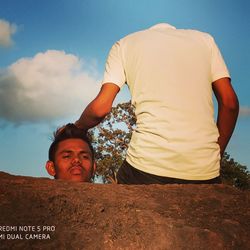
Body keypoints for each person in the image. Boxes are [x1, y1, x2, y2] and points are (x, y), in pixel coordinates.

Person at [75, 23, 239, 184]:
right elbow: (229, 103)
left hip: (146, 166)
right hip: (204, 169)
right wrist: (216, 153)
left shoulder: (124, 44)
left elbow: (100, 108)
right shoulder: (205, 40)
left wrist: (78, 127)